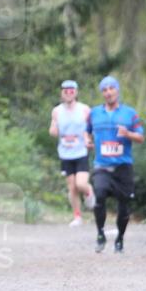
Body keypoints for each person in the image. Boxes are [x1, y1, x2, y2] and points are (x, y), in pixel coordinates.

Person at [85, 75, 144, 253]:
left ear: (117, 91)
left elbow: (140, 137)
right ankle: (100, 233)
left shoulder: (130, 113)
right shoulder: (94, 113)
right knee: (99, 195)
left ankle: (119, 240)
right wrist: (87, 140)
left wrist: (128, 134)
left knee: (124, 205)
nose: (108, 92)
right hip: (102, 165)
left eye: (111, 89)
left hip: (123, 166)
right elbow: (86, 132)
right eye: (104, 90)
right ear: (102, 93)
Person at [49, 79, 95, 226]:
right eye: (66, 91)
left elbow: (91, 129)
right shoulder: (57, 111)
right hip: (65, 153)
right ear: (62, 93)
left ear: (76, 93)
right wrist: (55, 130)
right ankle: (77, 216)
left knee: (81, 184)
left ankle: (89, 192)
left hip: (81, 152)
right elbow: (53, 131)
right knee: (72, 187)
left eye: (71, 91)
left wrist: (88, 140)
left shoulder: (85, 109)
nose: (68, 93)